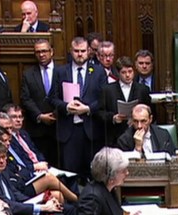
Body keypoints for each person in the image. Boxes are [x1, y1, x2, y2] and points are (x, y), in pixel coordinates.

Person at [49, 36, 106, 179]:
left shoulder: (99, 72)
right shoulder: (60, 72)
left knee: (94, 174)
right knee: (70, 175)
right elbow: (52, 98)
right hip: (69, 131)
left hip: (91, 130)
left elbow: (104, 99)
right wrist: (66, 106)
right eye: (76, 51)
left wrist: (87, 109)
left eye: (82, 51)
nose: (80, 54)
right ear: (70, 51)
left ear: (88, 51)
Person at [98, 56, 151, 146]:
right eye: (124, 72)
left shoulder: (143, 89)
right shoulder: (107, 90)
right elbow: (99, 113)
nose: (127, 75)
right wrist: (113, 118)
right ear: (118, 73)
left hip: (138, 135)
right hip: (115, 137)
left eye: (130, 72)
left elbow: (150, 112)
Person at [21, 39, 58, 164]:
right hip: (38, 130)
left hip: (59, 127)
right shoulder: (28, 74)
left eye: (44, 51)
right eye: (38, 52)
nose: (41, 55)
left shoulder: (63, 70)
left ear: (51, 52)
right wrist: (40, 116)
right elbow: (26, 99)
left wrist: (56, 114)